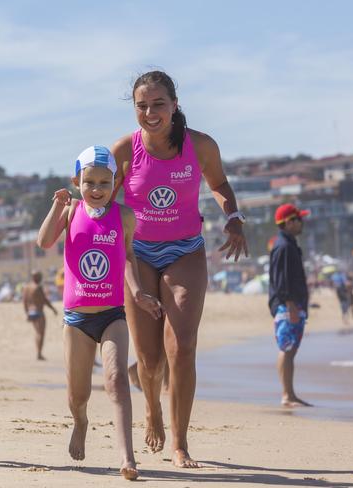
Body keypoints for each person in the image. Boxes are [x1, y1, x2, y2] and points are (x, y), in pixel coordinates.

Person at [111, 70, 247, 468]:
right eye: (142, 106)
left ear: (174, 104)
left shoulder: (199, 145)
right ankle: (152, 409)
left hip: (185, 251)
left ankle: (180, 444)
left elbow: (219, 183)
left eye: (158, 104)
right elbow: (101, 200)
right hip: (138, 255)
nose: (151, 112)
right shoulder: (124, 150)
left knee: (182, 346)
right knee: (150, 360)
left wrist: (233, 217)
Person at [37, 145, 161, 481]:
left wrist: (138, 292)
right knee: (78, 394)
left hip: (112, 314)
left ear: (114, 182)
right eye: (89, 182)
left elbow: (129, 256)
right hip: (76, 319)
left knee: (117, 380)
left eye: (104, 183)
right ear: (76, 180)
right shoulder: (71, 208)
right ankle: (80, 421)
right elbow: (44, 242)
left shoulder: (123, 216)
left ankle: (127, 457)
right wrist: (57, 206)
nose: (96, 189)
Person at [269, 203, 312, 408]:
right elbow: (281, 280)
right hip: (287, 306)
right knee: (286, 348)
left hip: (292, 305)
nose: (302, 223)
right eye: (299, 219)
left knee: (291, 349)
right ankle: (287, 395)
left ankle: (290, 393)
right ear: (288, 222)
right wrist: (290, 305)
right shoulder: (284, 246)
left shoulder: (289, 244)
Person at [22, 270, 57, 360]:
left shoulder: (26, 287)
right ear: (37, 277)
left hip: (30, 312)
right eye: (40, 276)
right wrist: (53, 309)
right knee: (41, 334)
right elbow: (44, 300)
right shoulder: (38, 287)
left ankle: (38, 352)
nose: (41, 278)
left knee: (37, 333)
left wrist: (27, 313)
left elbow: (24, 301)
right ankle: (39, 353)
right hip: (38, 312)